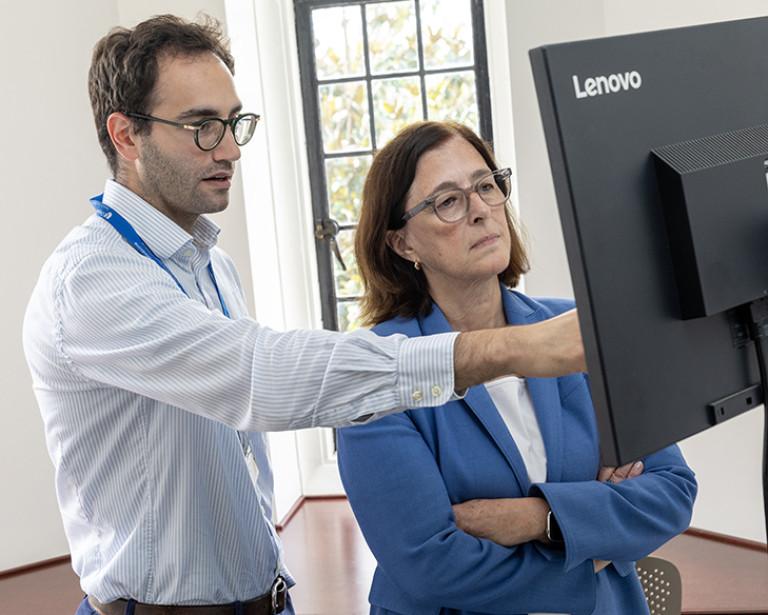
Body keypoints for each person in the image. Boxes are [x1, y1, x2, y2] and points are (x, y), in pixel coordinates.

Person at [21, 15, 587, 615]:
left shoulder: (212, 267)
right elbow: (263, 376)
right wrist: (511, 350)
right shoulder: (90, 281)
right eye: (203, 127)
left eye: (234, 122)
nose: (232, 148)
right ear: (127, 135)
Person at [337, 120, 698, 615]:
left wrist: (539, 518)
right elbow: (431, 566)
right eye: (448, 201)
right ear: (403, 244)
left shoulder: (577, 326)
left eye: (486, 186)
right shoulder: (377, 372)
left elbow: (672, 491)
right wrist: (592, 537)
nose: (482, 210)